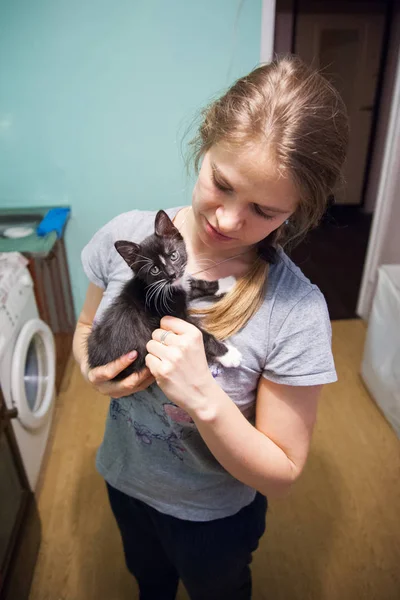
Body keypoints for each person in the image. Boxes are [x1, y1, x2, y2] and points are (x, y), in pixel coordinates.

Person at [73, 55, 349, 600]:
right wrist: (95, 373)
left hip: (211, 517)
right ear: (204, 145)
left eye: (264, 211)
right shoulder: (122, 237)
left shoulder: (295, 312)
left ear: (298, 211)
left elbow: (283, 472)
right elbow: (86, 327)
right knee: (148, 580)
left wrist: (205, 398)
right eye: (221, 184)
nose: (228, 220)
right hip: (125, 480)